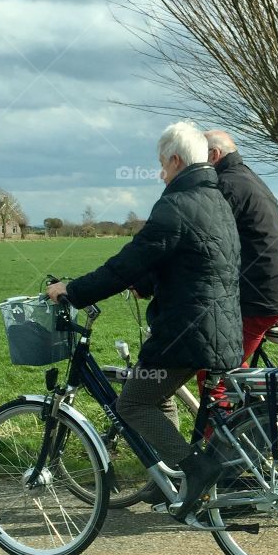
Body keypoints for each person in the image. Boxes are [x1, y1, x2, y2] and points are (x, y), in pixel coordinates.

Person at [46, 121, 242, 516]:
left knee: (132, 404)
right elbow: (188, 260)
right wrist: (149, 284)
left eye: (162, 164)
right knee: (157, 395)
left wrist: (72, 290)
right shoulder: (216, 200)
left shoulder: (175, 203)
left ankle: (196, 469)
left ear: (175, 160)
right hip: (219, 326)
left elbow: (126, 263)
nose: (160, 173)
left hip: (185, 332)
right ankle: (172, 479)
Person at [204, 129, 278, 365]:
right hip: (270, 288)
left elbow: (207, 240)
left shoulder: (227, 184)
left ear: (214, 154)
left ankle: (223, 402)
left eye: (197, 156)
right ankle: (246, 399)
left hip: (257, 296)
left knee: (215, 367)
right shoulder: (245, 177)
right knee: (228, 362)